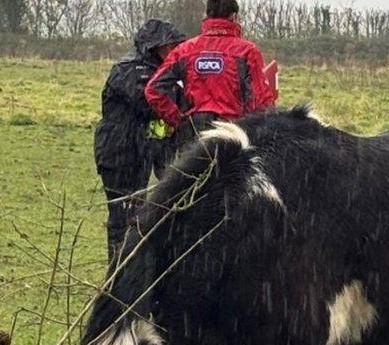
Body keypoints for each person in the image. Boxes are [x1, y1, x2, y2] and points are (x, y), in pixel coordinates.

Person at [94, 19, 185, 263]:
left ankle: (136, 269)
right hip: (120, 152)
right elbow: (150, 103)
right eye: (170, 46)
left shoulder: (164, 72)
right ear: (155, 46)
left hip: (145, 150)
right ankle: (118, 273)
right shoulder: (130, 69)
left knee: (145, 213)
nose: (174, 51)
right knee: (124, 216)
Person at [144, 0, 277, 141]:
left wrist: (179, 120)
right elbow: (262, 100)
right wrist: (254, 130)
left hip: (195, 134)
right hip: (233, 133)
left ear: (206, 14)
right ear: (234, 16)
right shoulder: (247, 51)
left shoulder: (185, 50)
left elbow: (153, 90)